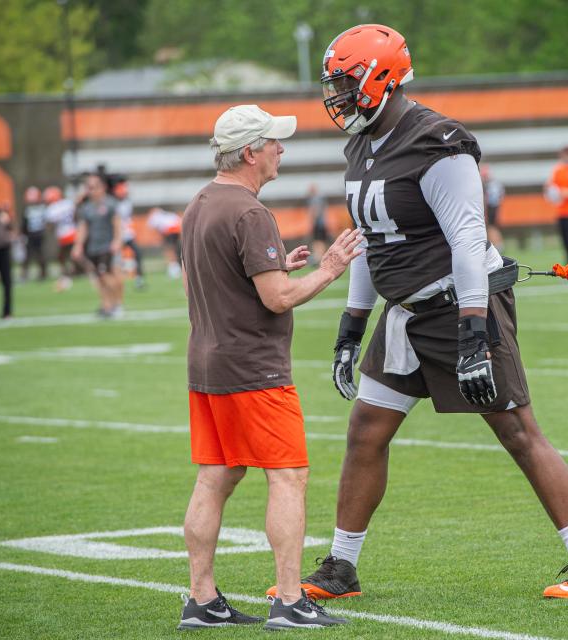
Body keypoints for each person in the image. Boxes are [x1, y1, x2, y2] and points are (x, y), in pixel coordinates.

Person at [268, 23, 568, 603]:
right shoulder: (360, 142)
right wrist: (350, 328)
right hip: (404, 312)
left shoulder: (438, 142)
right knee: (365, 432)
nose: (336, 95)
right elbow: (369, 239)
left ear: (381, 77)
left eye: (345, 82)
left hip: (460, 302)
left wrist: (474, 335)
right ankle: (341, 566)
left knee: (516, 430)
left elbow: (465, 239)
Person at [178, 104, 357, 631]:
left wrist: (279, 267)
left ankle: (202, 599)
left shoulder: (199, 203)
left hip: (207, 362)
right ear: (251, 152)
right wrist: (329, 269)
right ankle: (288, 599)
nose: (282, 150)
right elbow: (277, 299)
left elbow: (203, 283)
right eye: (275, 142)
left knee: (216, 476)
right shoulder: (250, 212)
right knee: (289, 476)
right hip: (253, 368)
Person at [72, 174, 124, 317]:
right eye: (89, 187)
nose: (91, 190)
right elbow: (83, 228)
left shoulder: (110, 204)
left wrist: (117, 240)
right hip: (93, 247)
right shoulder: (86, 207)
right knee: (98, 278)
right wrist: (78, 245)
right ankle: (106, 305)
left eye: (94, 187)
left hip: (107, 246)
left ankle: (117, 304)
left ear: (102, 188)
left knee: (108, 275)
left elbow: (117, 224)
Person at [44, 186, 77, 291]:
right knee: (72, 256)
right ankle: (71, 272)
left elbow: (49, 225)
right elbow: (75, 216)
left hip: (63, 235)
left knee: (63, 257)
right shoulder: (68, 203)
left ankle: (67, 274)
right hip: (73, 232)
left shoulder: (52, 209)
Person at [113, 181, 145, 290]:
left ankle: (139, 279)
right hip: (118, 235)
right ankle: (118, 281)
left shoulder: (127, 203)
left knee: (138, 254)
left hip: (128, 234)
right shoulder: (113, 204)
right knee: (116, 259)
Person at [20, 186, 48, 281]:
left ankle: (42, 273)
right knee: (31, 254)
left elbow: (24, 224)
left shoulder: (34, 209)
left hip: (35, 234)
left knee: (37, 254)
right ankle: (27, 273)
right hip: (34, 234)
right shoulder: (40, 208)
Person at [147, 207, 183, 279]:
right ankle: (176, 267)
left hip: (170, 231)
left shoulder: (155, 216)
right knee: (174, 249)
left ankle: (174, 268)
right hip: (176, 229)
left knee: (169, 250)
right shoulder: (165, 214)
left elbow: (155, 227)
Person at [480, 163, 506, 252]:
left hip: (491, 207)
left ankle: (498, 245)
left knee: (491, 227)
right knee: (492, 227)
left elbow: (486, 198)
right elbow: (501, 195)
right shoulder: (496, 183)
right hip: (495, 206)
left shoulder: (487, 185)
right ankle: (497, 245)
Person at [306, 183, 329, 264]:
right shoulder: (320, 198)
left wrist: (311, 223)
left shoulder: (315, 199)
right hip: (322, 224)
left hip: (318, 224)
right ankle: (320, 258)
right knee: (321, 241)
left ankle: (318, 258)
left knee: (318, 242)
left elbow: (315, 211)